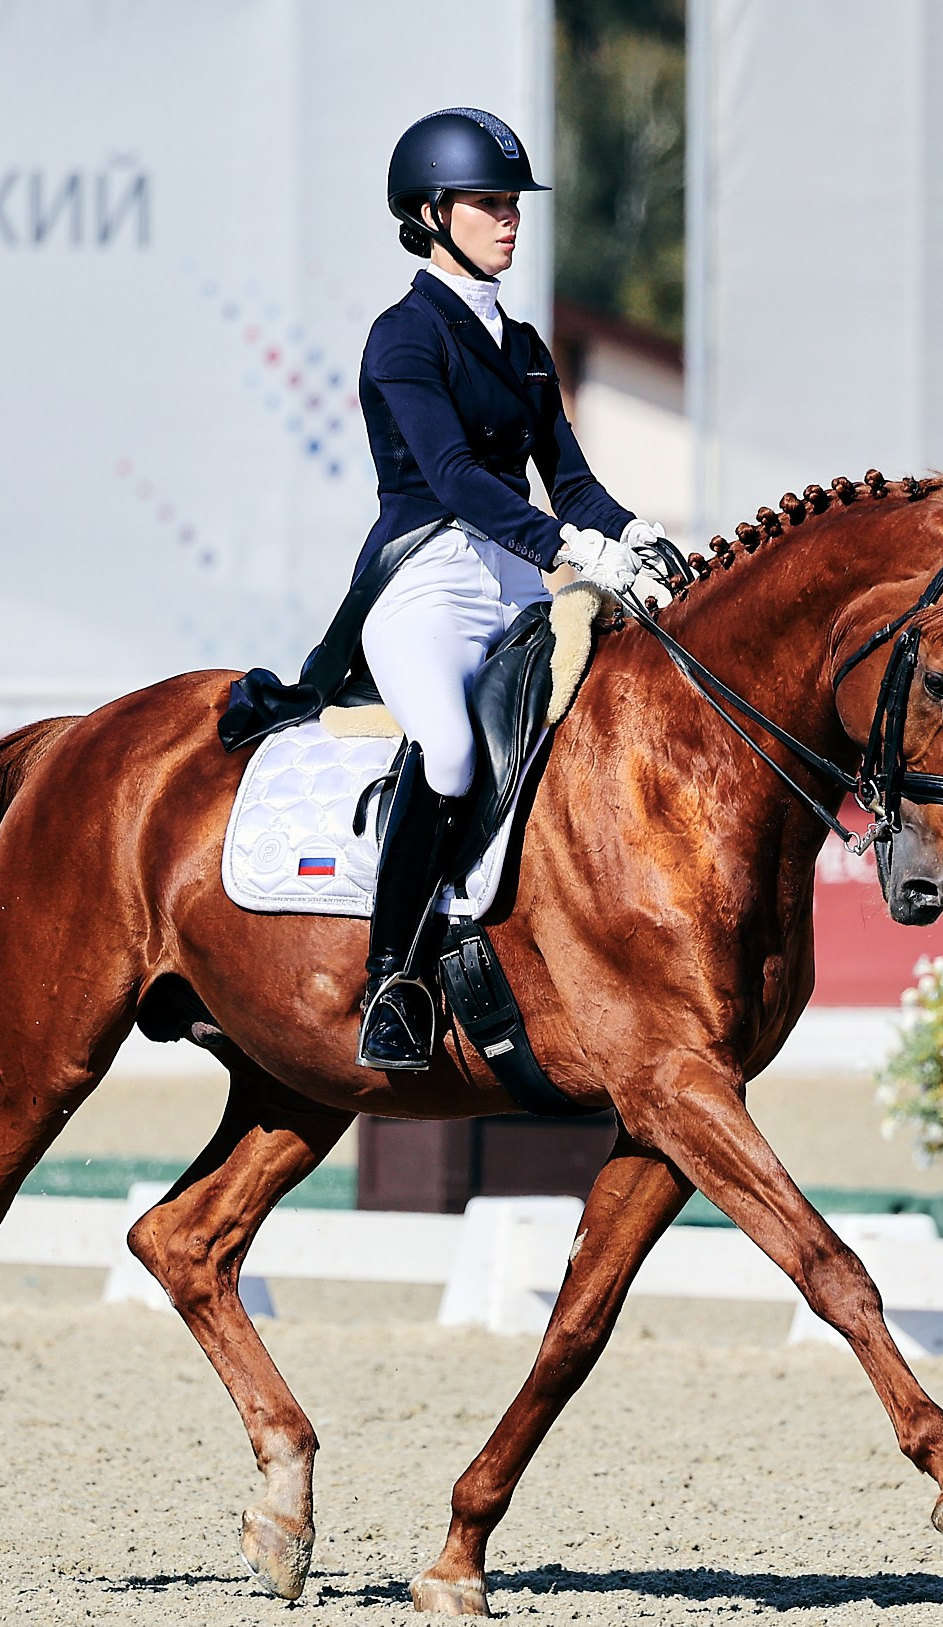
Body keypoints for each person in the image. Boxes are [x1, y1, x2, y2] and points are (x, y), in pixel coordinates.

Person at [301, 107, 676, 1072]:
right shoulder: (402, 337)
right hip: (424, 580)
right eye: (488, 204)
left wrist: (632, 533)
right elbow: (459, 475)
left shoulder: (524, 343)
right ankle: (394, 978)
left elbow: (573, 477)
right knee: (456, 751)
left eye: (513, 204)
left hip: (512, 578)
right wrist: (569, 550)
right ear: (429, 214)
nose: (510, 220)